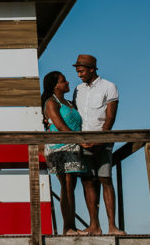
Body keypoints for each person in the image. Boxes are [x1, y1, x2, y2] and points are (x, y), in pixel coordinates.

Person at [71, 54, 125, 235]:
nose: (78, 75)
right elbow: (76, 116)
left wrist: (99, 141)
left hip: (103, 141)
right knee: (87, 182)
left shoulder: (109, 87)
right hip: (83, 142)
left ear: (91, 69)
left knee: (105, 179)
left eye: (81, 71)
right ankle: (95, 226)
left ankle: (112, 226)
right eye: (77, 71)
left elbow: (110, 118)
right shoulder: (78, 89)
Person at [41, 70, 86, 235]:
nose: (67, 83)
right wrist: (81, 141)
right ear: (55, 86)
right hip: (58, 147)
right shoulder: (51, 103)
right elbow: (60, 126)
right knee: (66, 185)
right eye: (63, 81)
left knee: (71, 187)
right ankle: (67, 228)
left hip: (73, 147)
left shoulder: (69, 103)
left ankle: (71, 226)